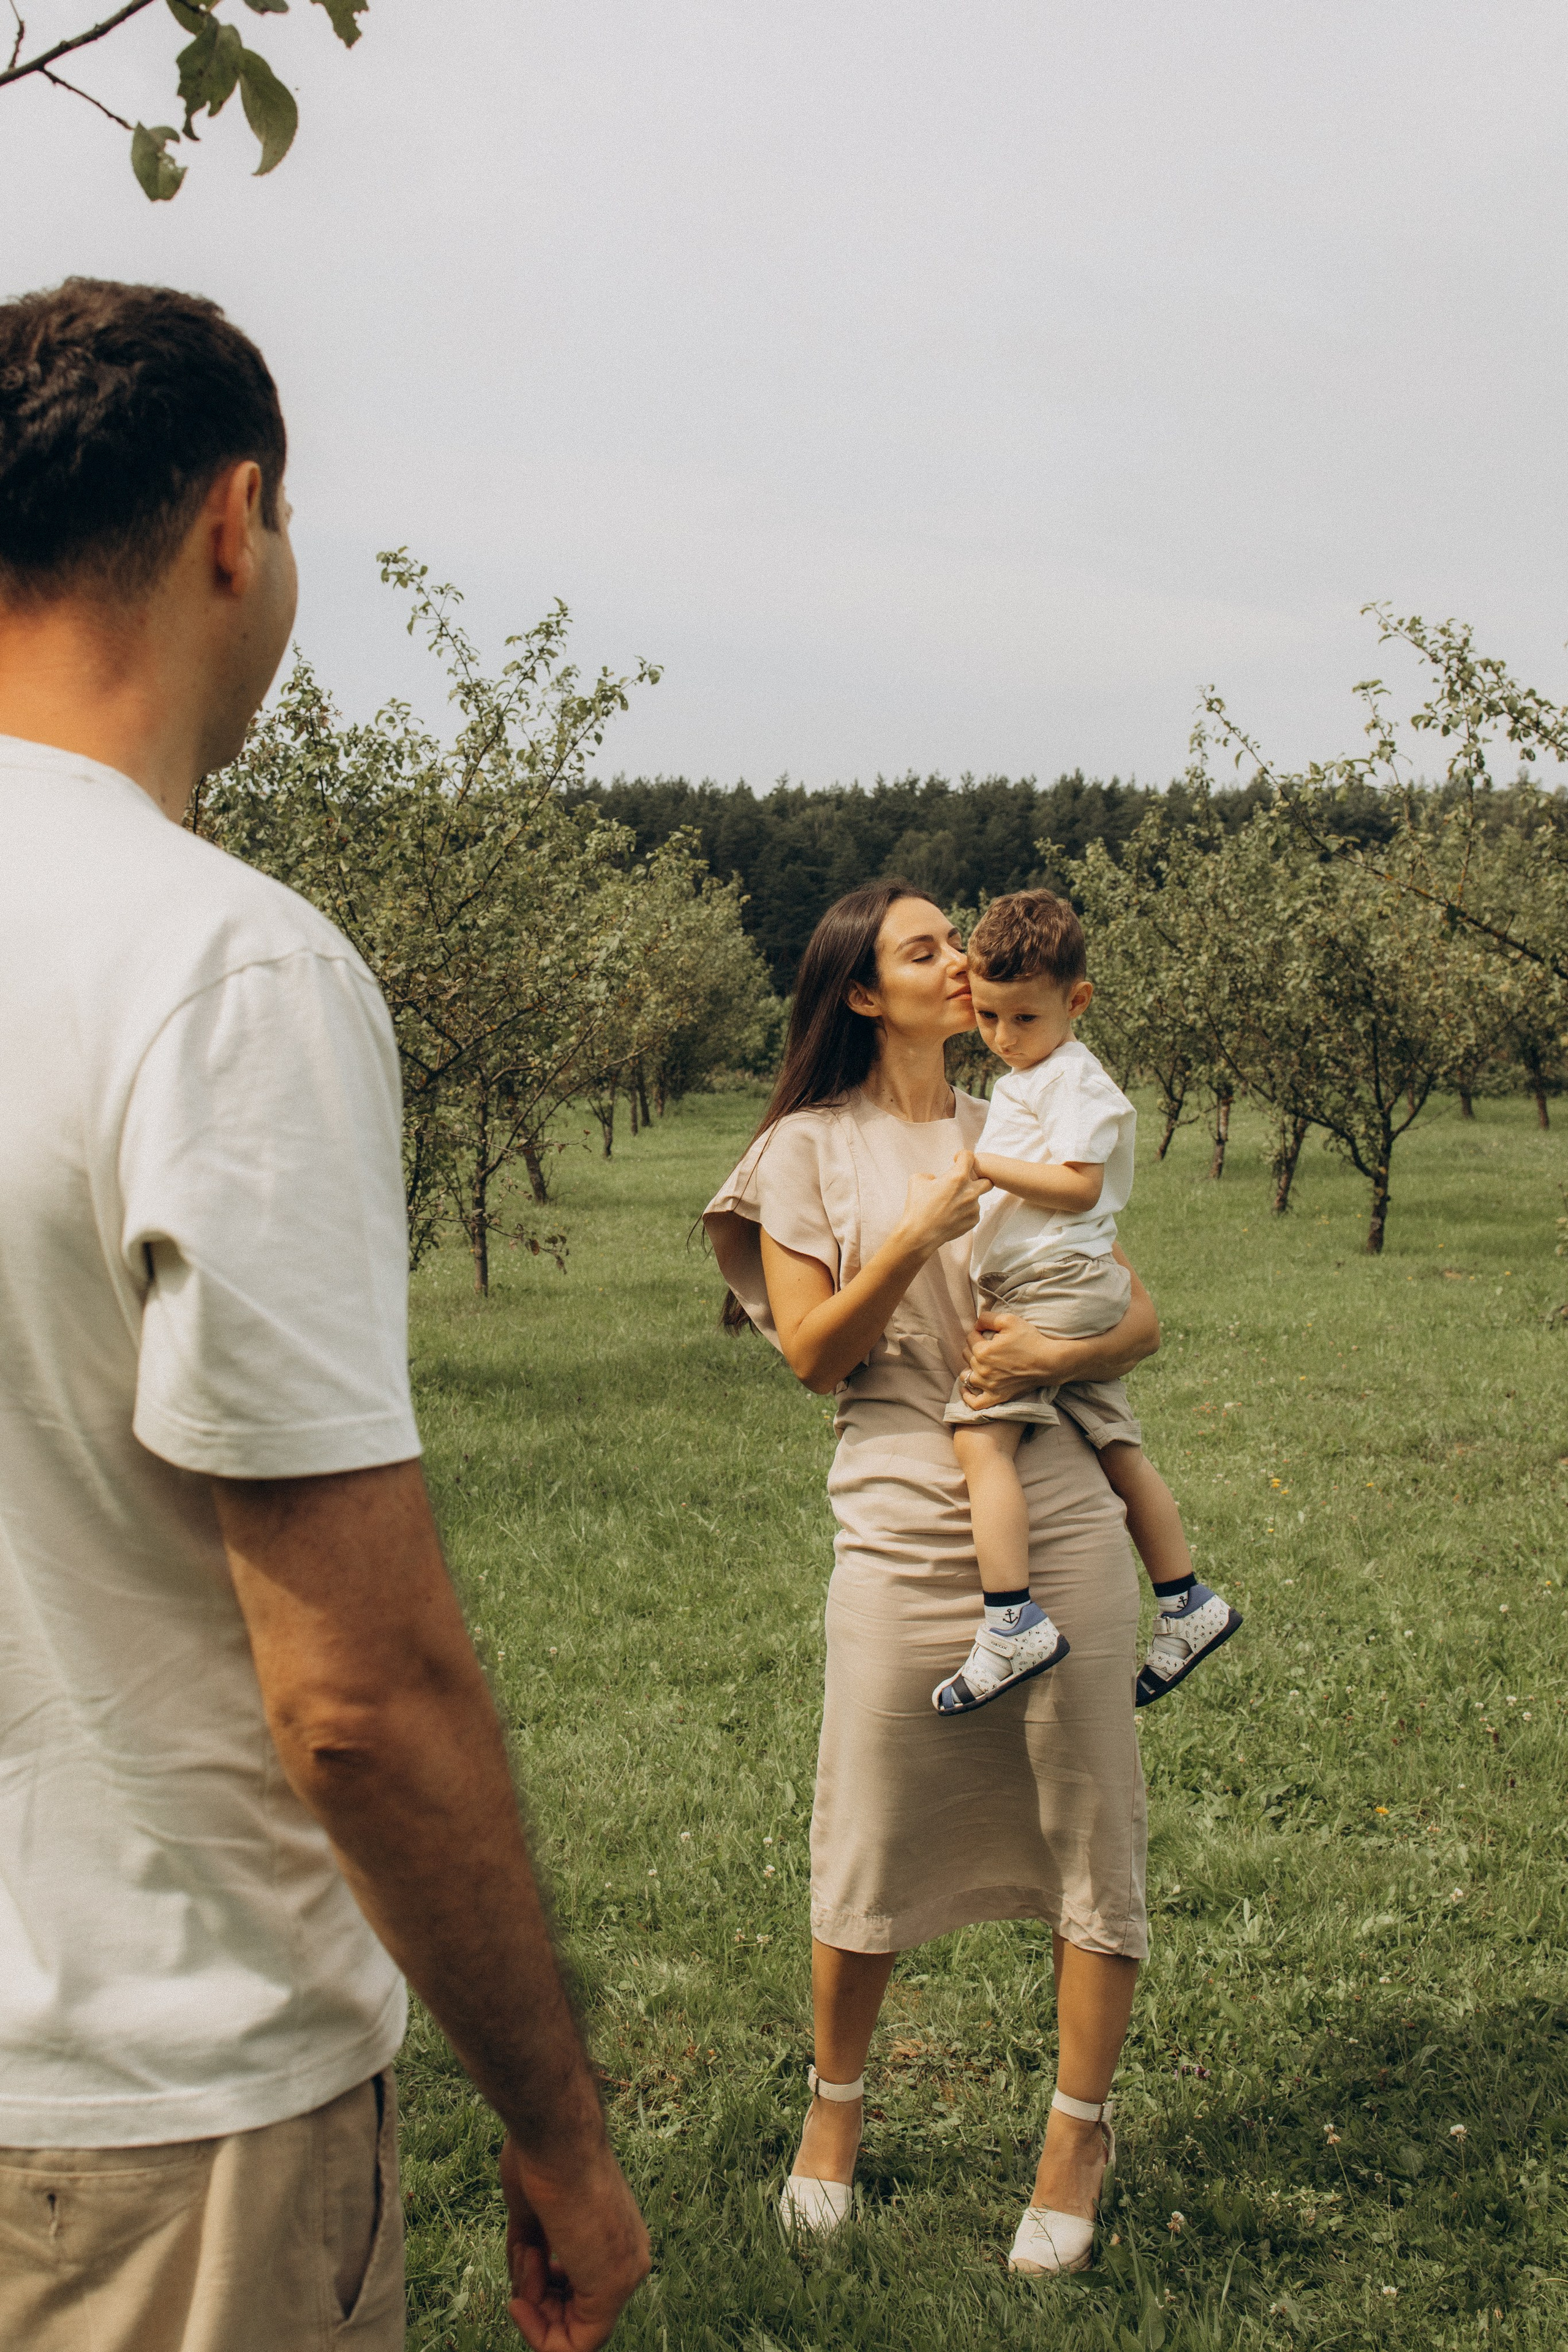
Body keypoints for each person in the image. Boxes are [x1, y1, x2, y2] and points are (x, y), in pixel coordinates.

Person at [0, 279, 647, 2352]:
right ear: (232, 523)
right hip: (154, 2113)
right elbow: (354, 1693)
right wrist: (555, 2121)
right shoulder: (217, 970)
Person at [704, 880, 1156, 2275]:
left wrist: (1064, 1356)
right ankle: (831, 2115)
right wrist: (917, 1225)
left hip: (1053, 1485)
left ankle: (1073, 2133)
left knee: (1091, 1814)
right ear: (861, 993)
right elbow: (811, 1355)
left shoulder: (1018, 1112)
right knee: (874, 1814)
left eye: (958, 940)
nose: (959, 962)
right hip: (903, 1499)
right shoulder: (802, 1152)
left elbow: (1137, 1309)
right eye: (924, 948)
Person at [935, 888, 1242, 1715]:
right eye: (990, 1017)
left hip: (1056, 1285)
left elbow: (1078, 1188)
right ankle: (1186, 1601)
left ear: (1077, 1002)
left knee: (980, 1440)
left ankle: (1011, 1621)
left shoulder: (1069, 1078)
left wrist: (982, 1167)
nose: (1003, 1038)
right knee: (1116, 1444)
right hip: (1062, 1281)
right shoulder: (1039, 1071)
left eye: (1023, 1019)